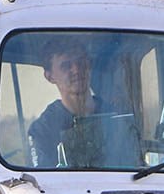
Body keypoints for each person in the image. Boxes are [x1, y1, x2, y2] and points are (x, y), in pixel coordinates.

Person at [27, 38, 107, 168]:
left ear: (89, 65)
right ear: (50, 77)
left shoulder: (116, 116)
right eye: (66, 66)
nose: (76, 70)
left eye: (81, 62)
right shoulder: (42, 130)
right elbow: (42, 182)